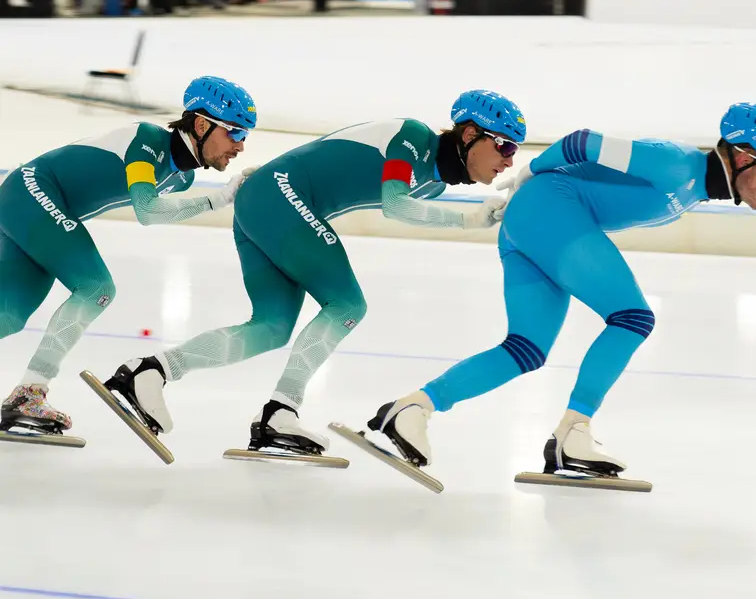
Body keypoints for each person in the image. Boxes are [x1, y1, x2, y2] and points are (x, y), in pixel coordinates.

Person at [351, 103, 756, 483]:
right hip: (548, 210)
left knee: (525, 349)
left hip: (536, 221)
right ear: (743, 158)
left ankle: (412, 409)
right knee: (632, 317)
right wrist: (527, 172)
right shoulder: (677, 164)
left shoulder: (693, 187)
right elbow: (583, 142)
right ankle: (574, 432)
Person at [102, 90, 525, 457]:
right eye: (505, 146)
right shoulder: (414, 138)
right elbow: (396, 204)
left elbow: (402, 205)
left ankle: (150, 371)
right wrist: (469, 221)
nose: (508, 161)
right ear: (470, 134)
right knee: (347, 305)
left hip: (267, 203)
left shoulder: (432, 183)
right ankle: (280, 411)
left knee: (271, 327)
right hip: (279, 196)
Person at [0, 76, 256, 441]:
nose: (241, 146)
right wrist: (218, 200)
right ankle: (30, 393)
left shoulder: (181, 179)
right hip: (32, 191)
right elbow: (147, 210)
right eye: (235, 133)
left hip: (31, 204)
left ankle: (26, 396)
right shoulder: (147, 141)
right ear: (201, 125)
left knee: (8, 316)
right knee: (96, 288)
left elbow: (154, 211)